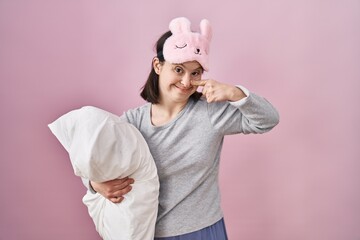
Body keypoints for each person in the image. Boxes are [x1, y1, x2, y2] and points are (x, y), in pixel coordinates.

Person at [85, 17, 280, 239]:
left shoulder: (210, 112)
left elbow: (268, 119)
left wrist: (235, 93)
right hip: (148, 233)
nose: (187, 82)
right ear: (158, 66)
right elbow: (94, 162)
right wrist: (94, 184)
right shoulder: (132, 122)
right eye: (178, 69)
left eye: (195, 73)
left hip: (203, 231)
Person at [48, 106, 159, 240]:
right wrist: (94, 184)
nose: (186, 83)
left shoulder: (191, 119)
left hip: (183, 227)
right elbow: (96, 159)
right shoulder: (133, 119)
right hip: (141, 218)